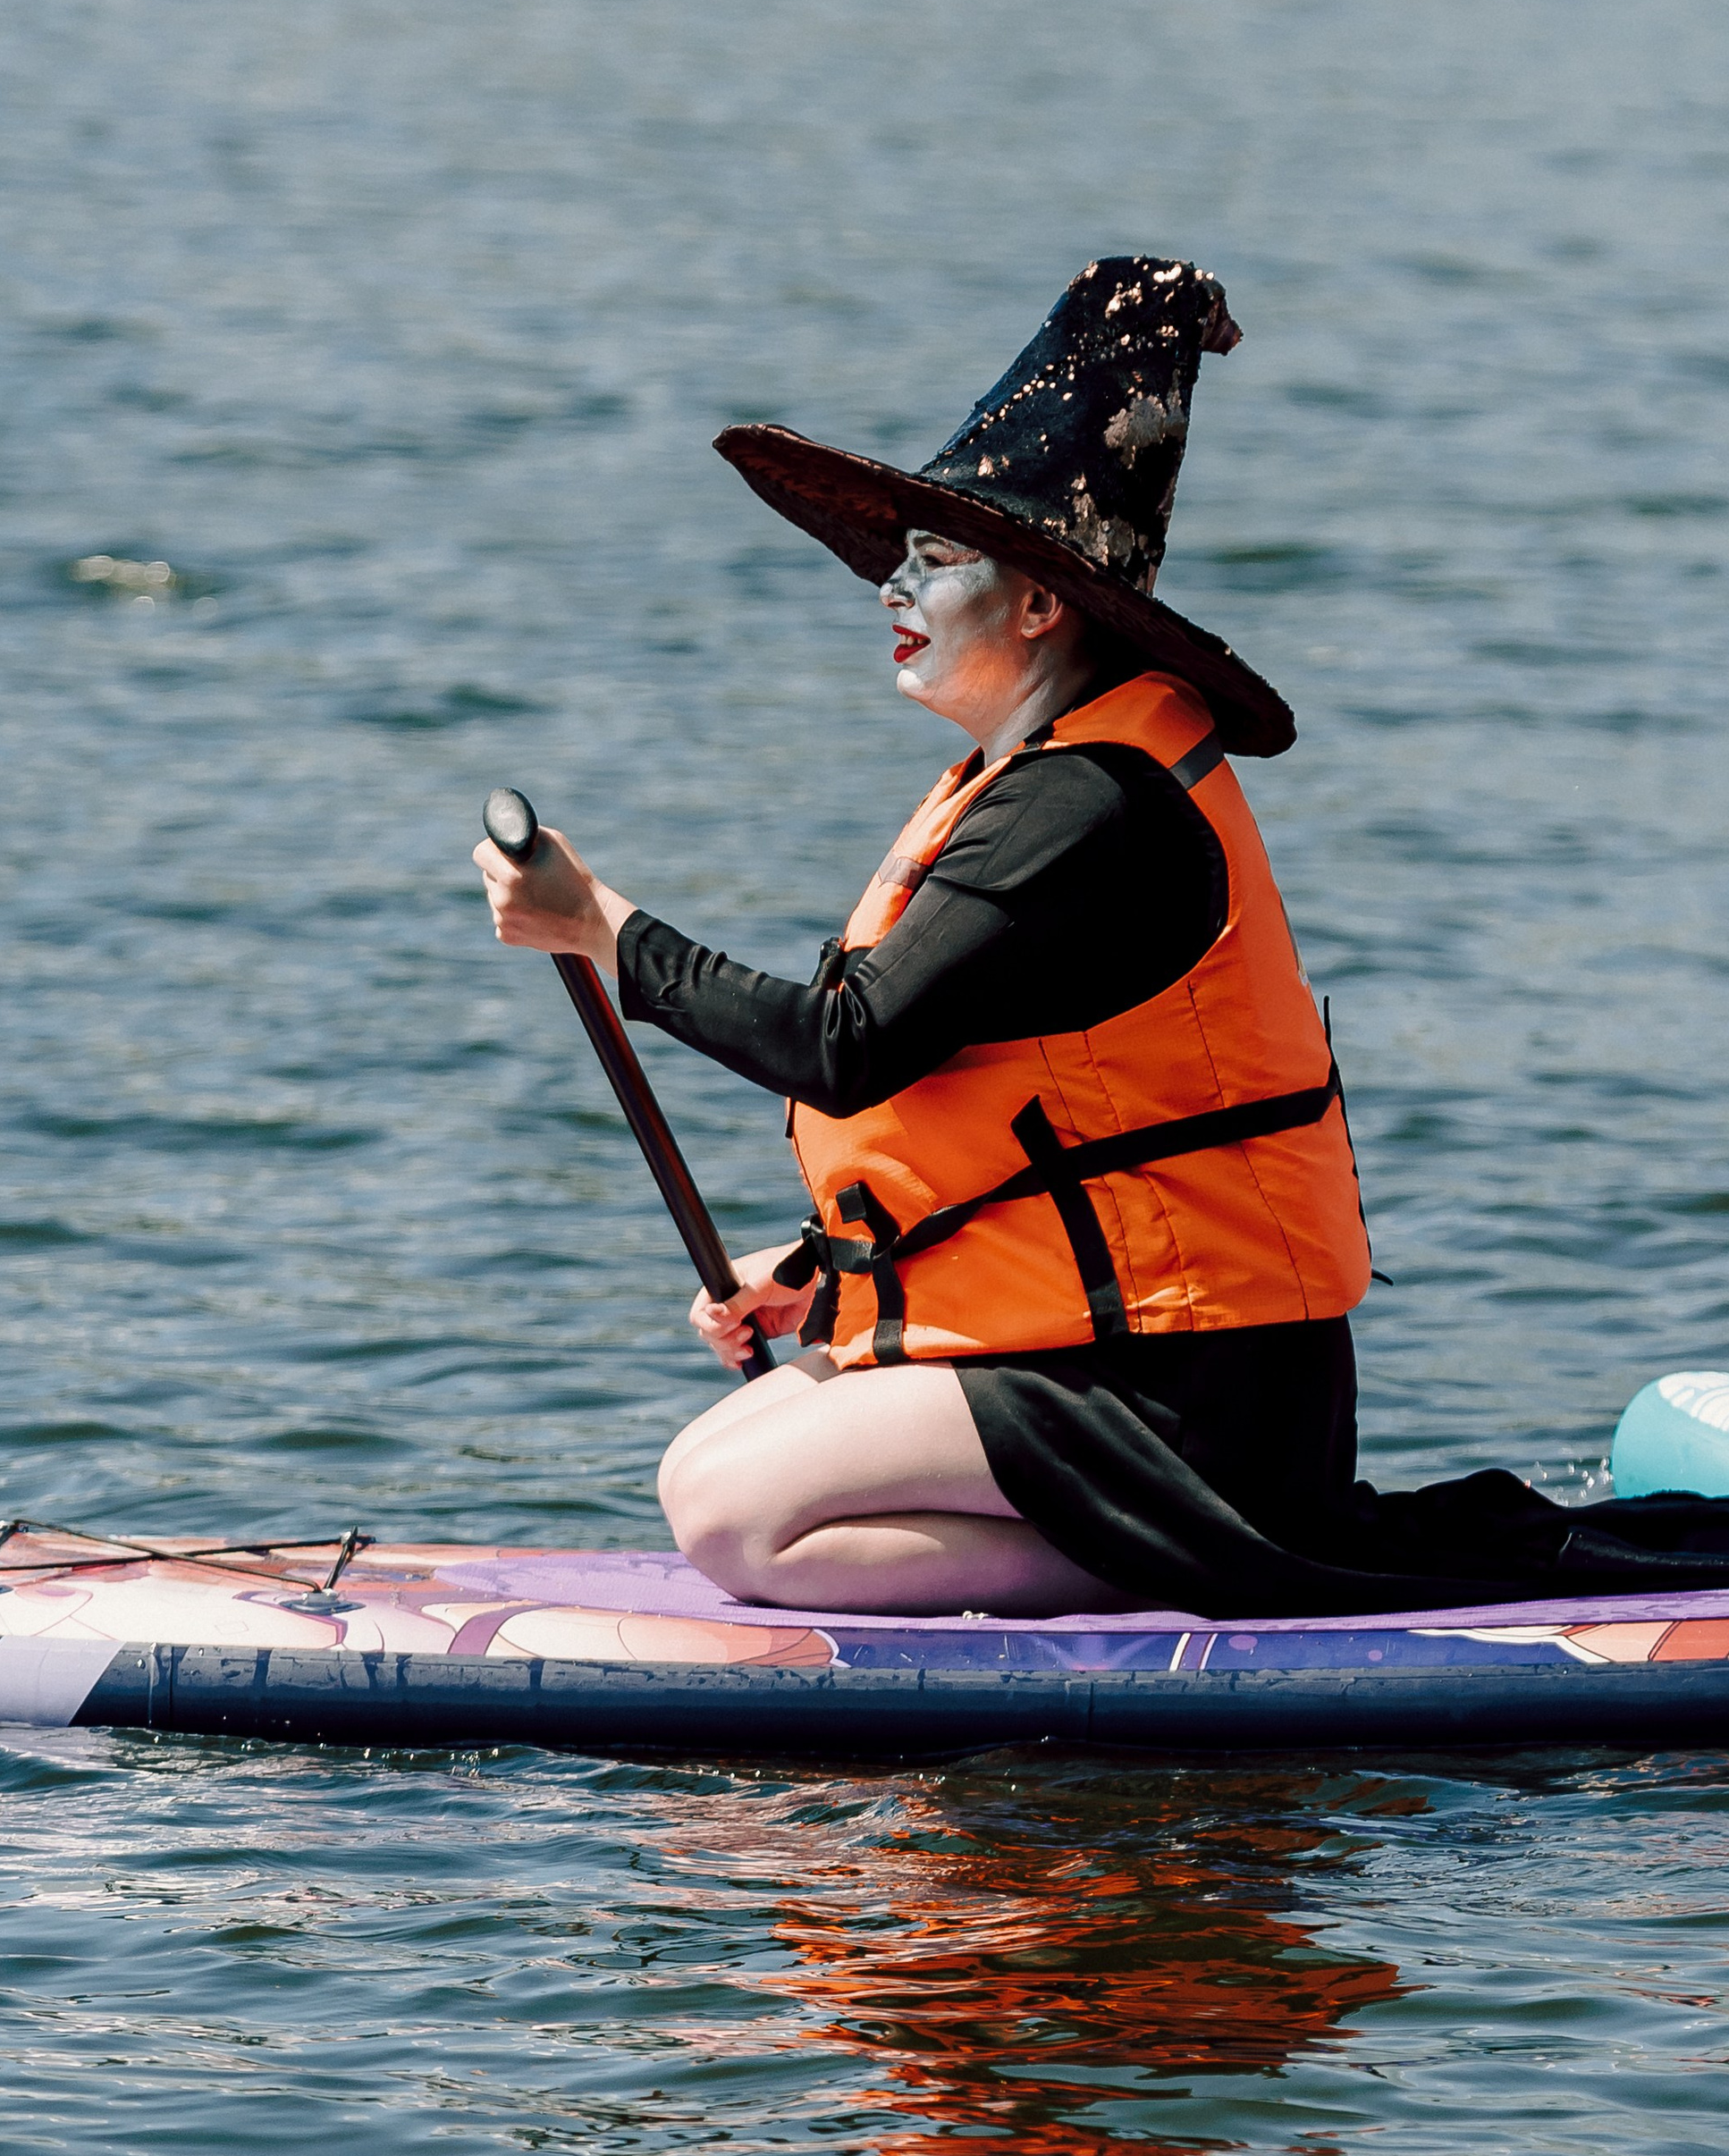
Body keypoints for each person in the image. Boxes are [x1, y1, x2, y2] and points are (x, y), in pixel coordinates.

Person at [476, 257, 1372, 1620]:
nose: (894, 583)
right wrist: (823, 1267)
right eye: (903, 554)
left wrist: (603, 930)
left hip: (1200, 1390)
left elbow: (845, 1049)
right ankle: (1159, 1547)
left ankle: (1188, 1561)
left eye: (939, 558)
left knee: (724, 1513)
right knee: (726, 1460)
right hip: (1126, 1350)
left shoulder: (1088, 806)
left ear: (1038, 606)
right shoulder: (1043, 774)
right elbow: (1009, 1107)